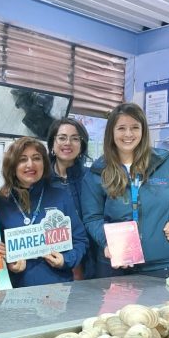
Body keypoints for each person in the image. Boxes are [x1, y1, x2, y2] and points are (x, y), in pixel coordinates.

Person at [80, 102, 169, 279]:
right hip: (117, 266)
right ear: (111, 132)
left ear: (143, 131)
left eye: (134, 127)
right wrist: (108, 242)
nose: (128, 134)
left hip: (167, 265)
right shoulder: (97, 172)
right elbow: (92, 217)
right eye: (121, 128)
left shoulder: (167, 162)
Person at [0, 136, 87, 288]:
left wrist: (65, 259)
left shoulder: (61, 196)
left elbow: (80, 240)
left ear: (44, 163)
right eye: (22, 159)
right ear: (12, 165)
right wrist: (8, 263)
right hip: (17, 293)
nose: (30, 164)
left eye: (36, 158)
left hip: (58, 290)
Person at [47, 117, 95, 279]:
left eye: (75, 138)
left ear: (82, 146)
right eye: (62, 138)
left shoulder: (93, 177)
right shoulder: (40, 179)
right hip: (53, 258)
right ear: (52, 144)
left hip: (91, 257)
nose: (68, 143)